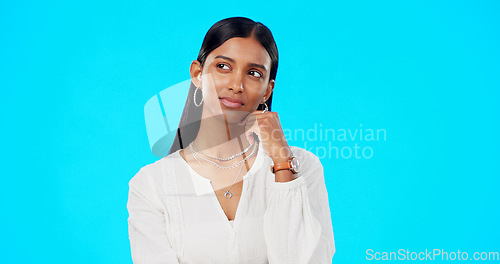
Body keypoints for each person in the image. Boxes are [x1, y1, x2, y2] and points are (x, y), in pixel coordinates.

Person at [127, 17, 335, 264]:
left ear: (267, 90)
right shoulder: (151, 184)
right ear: (197, 74)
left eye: (253, 73)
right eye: (223, 67)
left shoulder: (302, 167)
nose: (236, 84)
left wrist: (282, 164)